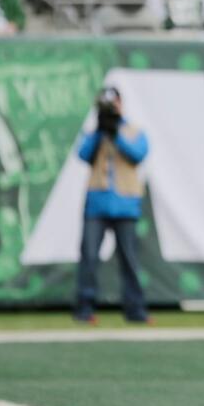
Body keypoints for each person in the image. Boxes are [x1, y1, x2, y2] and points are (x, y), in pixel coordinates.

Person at [74, 87, 151, 324]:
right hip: (96, 203)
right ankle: (84, 309)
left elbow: (138, 154)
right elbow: (83, 154)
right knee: (88, 256)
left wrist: (115, 129)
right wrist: (100, 131)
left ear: (120, 103)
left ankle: (135, 310)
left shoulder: (133, 130)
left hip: (125, 204)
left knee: (129, 259)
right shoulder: (94, 132)